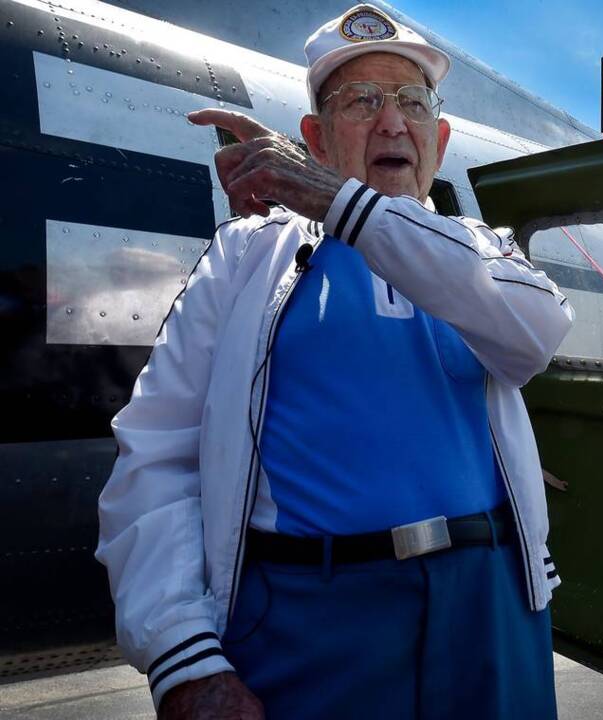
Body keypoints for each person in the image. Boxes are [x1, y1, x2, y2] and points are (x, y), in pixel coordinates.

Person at [95, 4, 573, 718]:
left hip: (491, 605)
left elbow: (535, 334)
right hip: (308, 616)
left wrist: (343, 204)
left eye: (413, 103)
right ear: (314, 139)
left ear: (437, 141)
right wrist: (181, 654)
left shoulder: (483, 248)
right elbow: (158, 452)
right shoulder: (245, 255)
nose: (391, 123)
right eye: (361, 102)